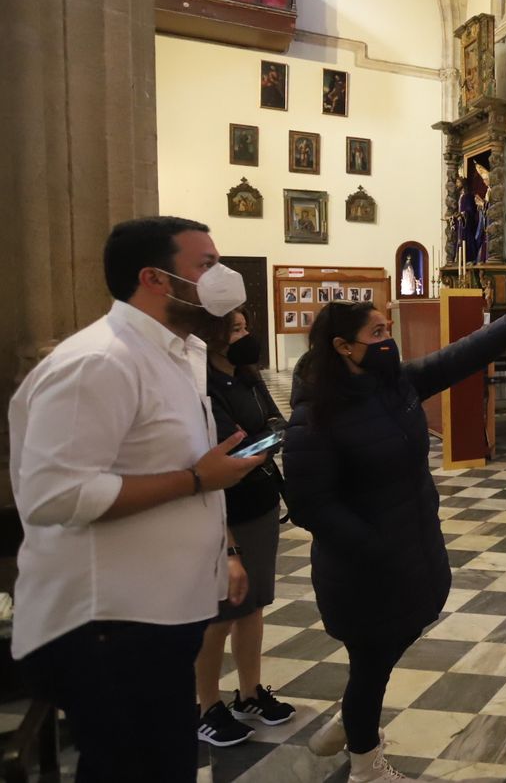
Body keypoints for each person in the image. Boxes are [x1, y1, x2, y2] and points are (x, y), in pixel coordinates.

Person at [8, 216, 267, 781]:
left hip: (159, 613)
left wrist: (221, 550)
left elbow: (183, 463)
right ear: (155, 278)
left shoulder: (178, 353)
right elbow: (56, 494)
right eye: (205, 265)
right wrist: (198, 481)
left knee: (166, 764)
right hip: (109, 625)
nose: (222, 278)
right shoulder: (98, 361)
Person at [284, 294, 506, 781]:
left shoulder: (393, 384)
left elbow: (459, 355)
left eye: (387, 329)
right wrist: (378, 550)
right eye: (376, 333)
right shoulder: (316, 415)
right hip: (364, 568)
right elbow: (311, 505)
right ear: (342, 347)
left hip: (412, 547)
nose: (388, 340)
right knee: (372, 659)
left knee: (394, 642)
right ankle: (366, 766)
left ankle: (352, 717)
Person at [194, 308, 296, 747]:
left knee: (253, 604)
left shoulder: (249, 377)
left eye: (245, 327)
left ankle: (250, 693)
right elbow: (223, 452)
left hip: (259, 501)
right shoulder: (202, 388)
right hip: (222, 509)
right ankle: (206, 707)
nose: (245, 335)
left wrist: (256, 443)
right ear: (214, 336)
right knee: (220, 613)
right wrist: (255, 444)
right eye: (236, 329)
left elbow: (277, 427)